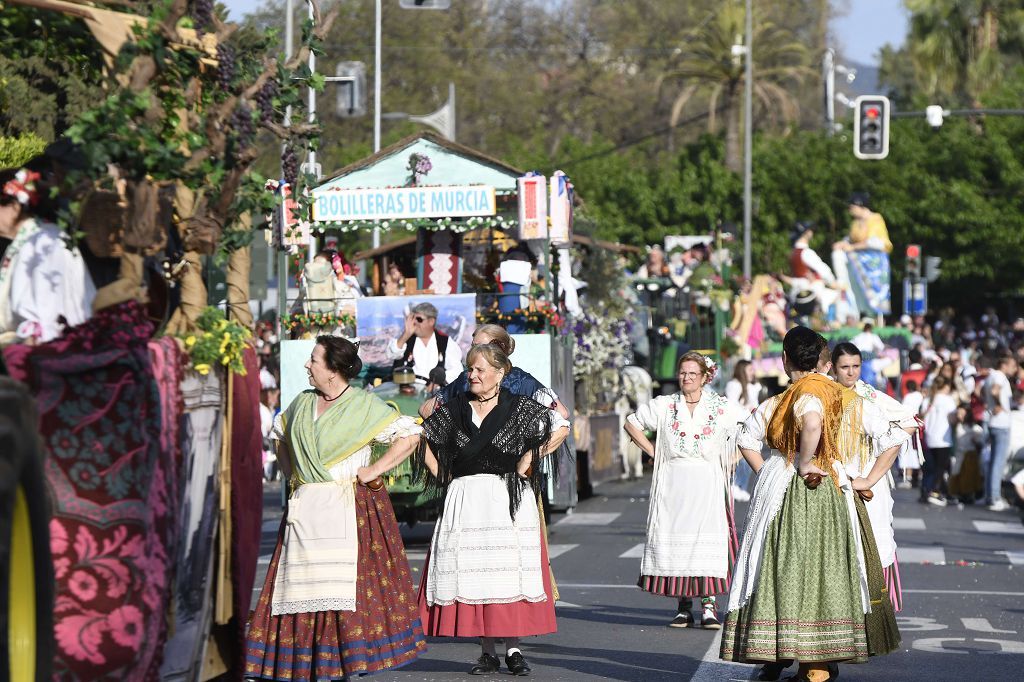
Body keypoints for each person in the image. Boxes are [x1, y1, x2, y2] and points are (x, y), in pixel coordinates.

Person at [721, 326, 905, 682]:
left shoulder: (784, 400)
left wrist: (787, 467)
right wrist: (867, 479)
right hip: (831, 489)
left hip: (792, 487)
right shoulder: (844, 397)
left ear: (785, 358)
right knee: (826, 571)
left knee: (781, 569)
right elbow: (895, 434)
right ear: (821, 360)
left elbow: (767, 433)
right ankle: (817, 661)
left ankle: (783, 652)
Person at [245, 336, 427, 679]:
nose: (307, 364)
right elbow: (279, 436)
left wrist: (373, 470)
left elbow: (410, 436)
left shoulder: (363, 406)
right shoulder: (301, 404)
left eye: (314, 359)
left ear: (333, 370)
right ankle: (306, 663)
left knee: (343, 590)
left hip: (347, 507)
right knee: (300, 587)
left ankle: (341, 665)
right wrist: (294, 475)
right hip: (306, 510)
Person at [417, 344, 569, 676]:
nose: (473, 375)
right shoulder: (456, 409)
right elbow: (419, 435)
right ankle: (487, 652)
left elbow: (561, 425)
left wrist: (530, 456)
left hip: (506, 498)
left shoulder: (519, 407)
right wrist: (442, 475)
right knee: (475, 574)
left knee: (506, 573)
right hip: (466, 498)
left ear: (500, 373)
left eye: (480, 370)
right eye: (470, 369)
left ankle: (513, 650)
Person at [624, 352, 746, 629]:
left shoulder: (719, 406)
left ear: (704, 378)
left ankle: (709, 606)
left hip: (707, 483)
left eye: (693, 373)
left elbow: (752, 427)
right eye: (683, 373)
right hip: (673, 483)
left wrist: (733, 458)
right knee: (678, 541)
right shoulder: (666, 405)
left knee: (706, 542)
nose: (687, 378)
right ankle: (684, 606)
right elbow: (631, 423)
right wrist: (654, 451)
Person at [830, 342, 919, 612]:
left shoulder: (870, 396)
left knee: (872, 541)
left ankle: (875, 613)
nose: (851, 372)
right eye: (844, 367)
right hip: (832, 478)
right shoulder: (823, 394)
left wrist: (874, 471)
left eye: (856, 366)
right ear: (832, 368)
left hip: (866, 480)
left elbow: (910, 422)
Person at [0, 167, 95, 346]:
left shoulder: (47, 240)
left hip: (53, 348)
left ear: (14, 207)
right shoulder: (23, 242)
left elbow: (48, 316)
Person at [419, 323, 569, 420]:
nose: (472, 352)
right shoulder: (466, 378)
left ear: (497, 350)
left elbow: (561, 414)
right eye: (472, 346)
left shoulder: (521, 380)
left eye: (479, 347)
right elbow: (426, 409)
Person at [386, 301, 464, 386]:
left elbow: (457, 370)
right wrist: (406, 335)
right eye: (413, 319)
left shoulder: (446, 342)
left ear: (431, 321)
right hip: (407, 389)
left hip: (435, 391)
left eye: (419, 319)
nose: (415, 322)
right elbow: (391, 354)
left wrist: (438, 382)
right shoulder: (405, 339)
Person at [982, 355, 1016, 511]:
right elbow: (995, 390)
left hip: (993, 421)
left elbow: (982, 391)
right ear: (1004, 365)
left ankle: (989, 494)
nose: (1014, 369)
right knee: (998, 462)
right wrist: (998, 404)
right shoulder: (999, 376)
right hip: (1001, 422)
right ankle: (994, 497)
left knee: (993, 461)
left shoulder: (991, 376)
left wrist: (990, 404)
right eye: (1012, 365)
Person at [725, 359, 761, 501]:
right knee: (738, 460)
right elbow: (731, 406)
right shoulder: (734, 385)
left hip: (751, 427)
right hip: (738, 426)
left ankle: (741, 486)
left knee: (748, 460)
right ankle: (734, 486)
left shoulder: (753, 386)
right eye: (750, 369)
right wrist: (747, 411)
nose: (753, 372)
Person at [920, 375, 958, 506]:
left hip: (929, 437)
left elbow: (922, 417)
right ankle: (934, 492)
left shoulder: (928, 399)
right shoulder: (948, 400)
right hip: (943, 439)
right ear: (946, 386)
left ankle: (932, 491)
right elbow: (952, 419)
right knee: (940, 468)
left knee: (931, 468)